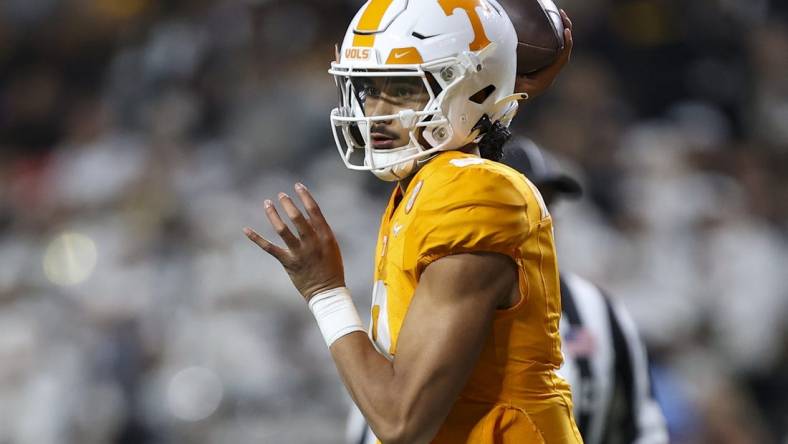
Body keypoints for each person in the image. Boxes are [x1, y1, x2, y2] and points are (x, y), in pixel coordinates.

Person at [244, 2, 580, 443]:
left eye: (403, 89)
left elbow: (401, 421)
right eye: (369, 88)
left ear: (468, 89)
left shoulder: (472, 192)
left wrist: (324, 291)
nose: (376, 111)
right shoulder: (428, 186)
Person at [346, 138, 670, 444]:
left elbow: (642, 425)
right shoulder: (413, 306)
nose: (541, 215)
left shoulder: (597, 308)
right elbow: (382, 418)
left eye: (546, 201)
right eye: (519, 200)